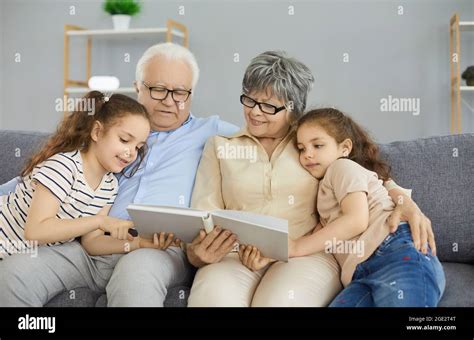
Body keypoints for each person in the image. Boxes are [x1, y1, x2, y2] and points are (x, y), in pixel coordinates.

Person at [187, 51, 435, 307]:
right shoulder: (220, 146)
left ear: (293, 109)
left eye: (268, 106)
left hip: (306, 253)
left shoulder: (312, 144)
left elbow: (369, 176)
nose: (254, 112)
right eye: (249, 100)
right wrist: (196, 254)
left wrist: (407, 204)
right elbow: (201, 217)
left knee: (281, 303)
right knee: (212, 301)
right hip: (235, 255)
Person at [0, 43, 239, 307]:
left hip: (156, 247)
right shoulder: (105, 135)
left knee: (135, 278)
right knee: (15, 272)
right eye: (159, 89)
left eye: (180, 92)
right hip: (90, 243)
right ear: (137, 87)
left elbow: (271, 136)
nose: (170, 100)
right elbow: (40, 177)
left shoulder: (213, 130)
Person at [292, 107, 445, 306]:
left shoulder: (341, 167)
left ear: (344, 148)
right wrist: (272, 254)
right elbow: (321, 236)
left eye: (318, 145)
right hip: (360, 272)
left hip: (394, 250)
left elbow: (356, 221)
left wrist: (295, 247)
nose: (308, 155)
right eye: (302, 148)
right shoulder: (326, 190)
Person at [0, 91, 150, 260]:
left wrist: (138, 243)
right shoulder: (64, 167)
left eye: (138, 147)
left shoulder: (109, 186)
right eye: (124, 140)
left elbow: (92, 242)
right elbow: (36, 231)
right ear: (97, 132)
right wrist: (100, 221)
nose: (131, 153)